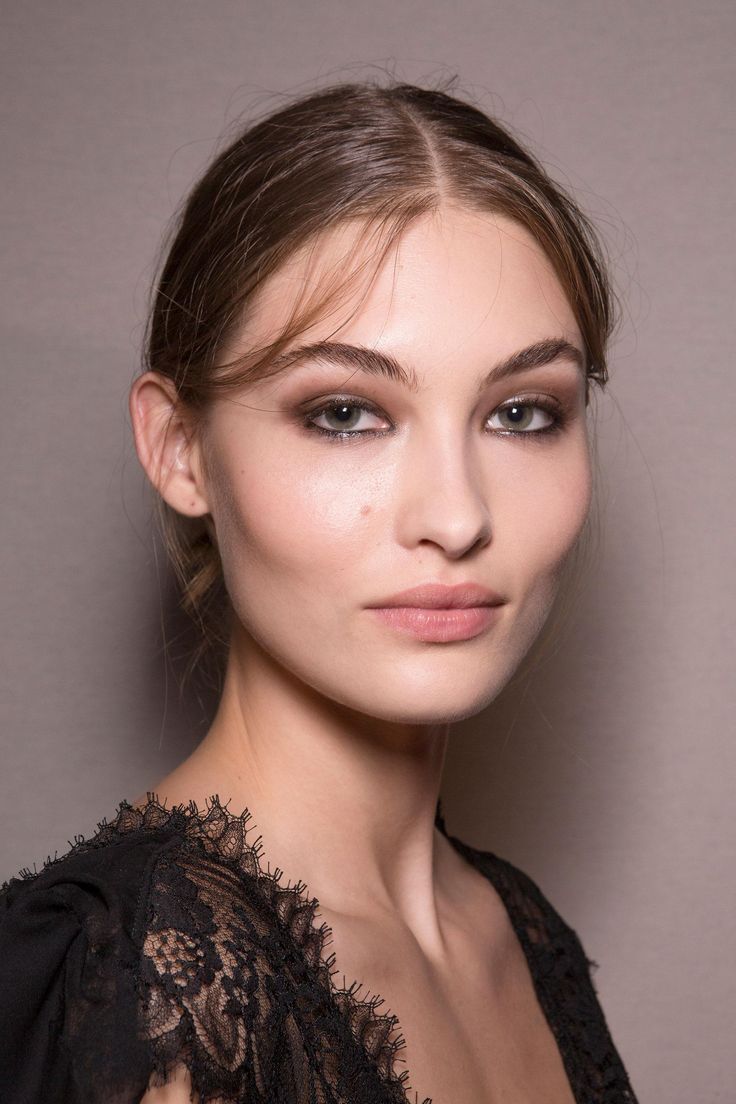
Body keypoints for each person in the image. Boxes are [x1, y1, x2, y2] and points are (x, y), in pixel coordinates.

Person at [0, 78, 639, 1103]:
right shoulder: (134, 980)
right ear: (181, 450)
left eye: (522, 413)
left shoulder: (519, 930)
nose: (457, 514)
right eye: (346, 412)